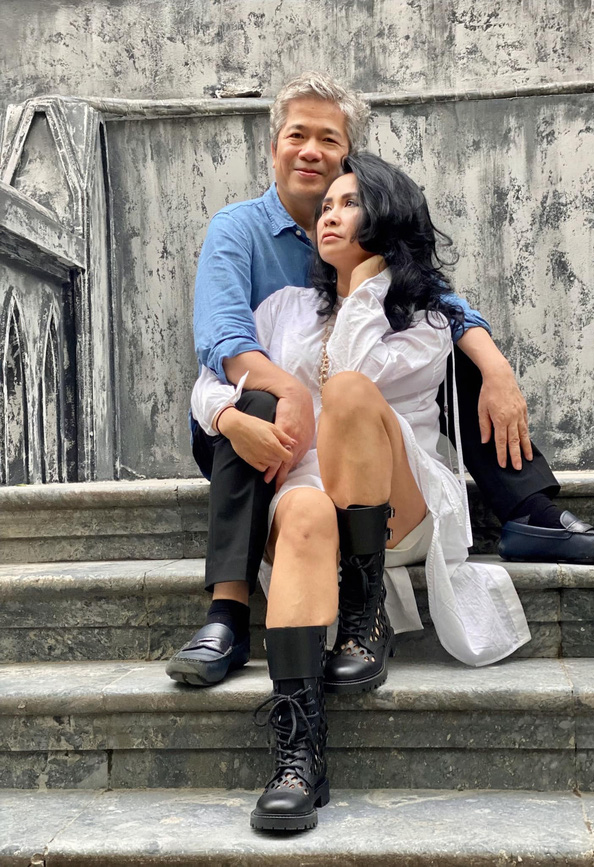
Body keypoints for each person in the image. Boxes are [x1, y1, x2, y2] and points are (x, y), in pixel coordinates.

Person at [165, 71, 594, 690]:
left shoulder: (384, 259)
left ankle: (528, 510)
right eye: (297, 135)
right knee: (256, 398)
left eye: (329, 140)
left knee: (455, 348)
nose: (311, 151)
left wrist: (496, 368)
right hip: (258, 422)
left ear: (351, 160)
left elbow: (438, 307)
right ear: (274, 146)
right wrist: (270, 398)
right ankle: (228, 614)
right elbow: (223, 344)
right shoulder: (242, 234)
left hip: (361, 425)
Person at [190, 153, 532, 831]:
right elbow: (211, 381)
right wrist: (229, 417)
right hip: (319, 500)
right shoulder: (285, 308)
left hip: (402, 502)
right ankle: (299, 754)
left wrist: (366, 281)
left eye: (350, 204)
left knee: (346, 392)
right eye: (326, 207)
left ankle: (364, 612)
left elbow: (353, 369)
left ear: (385, 217)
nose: (329, 216)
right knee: (303, 507)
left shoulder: (423, 319)